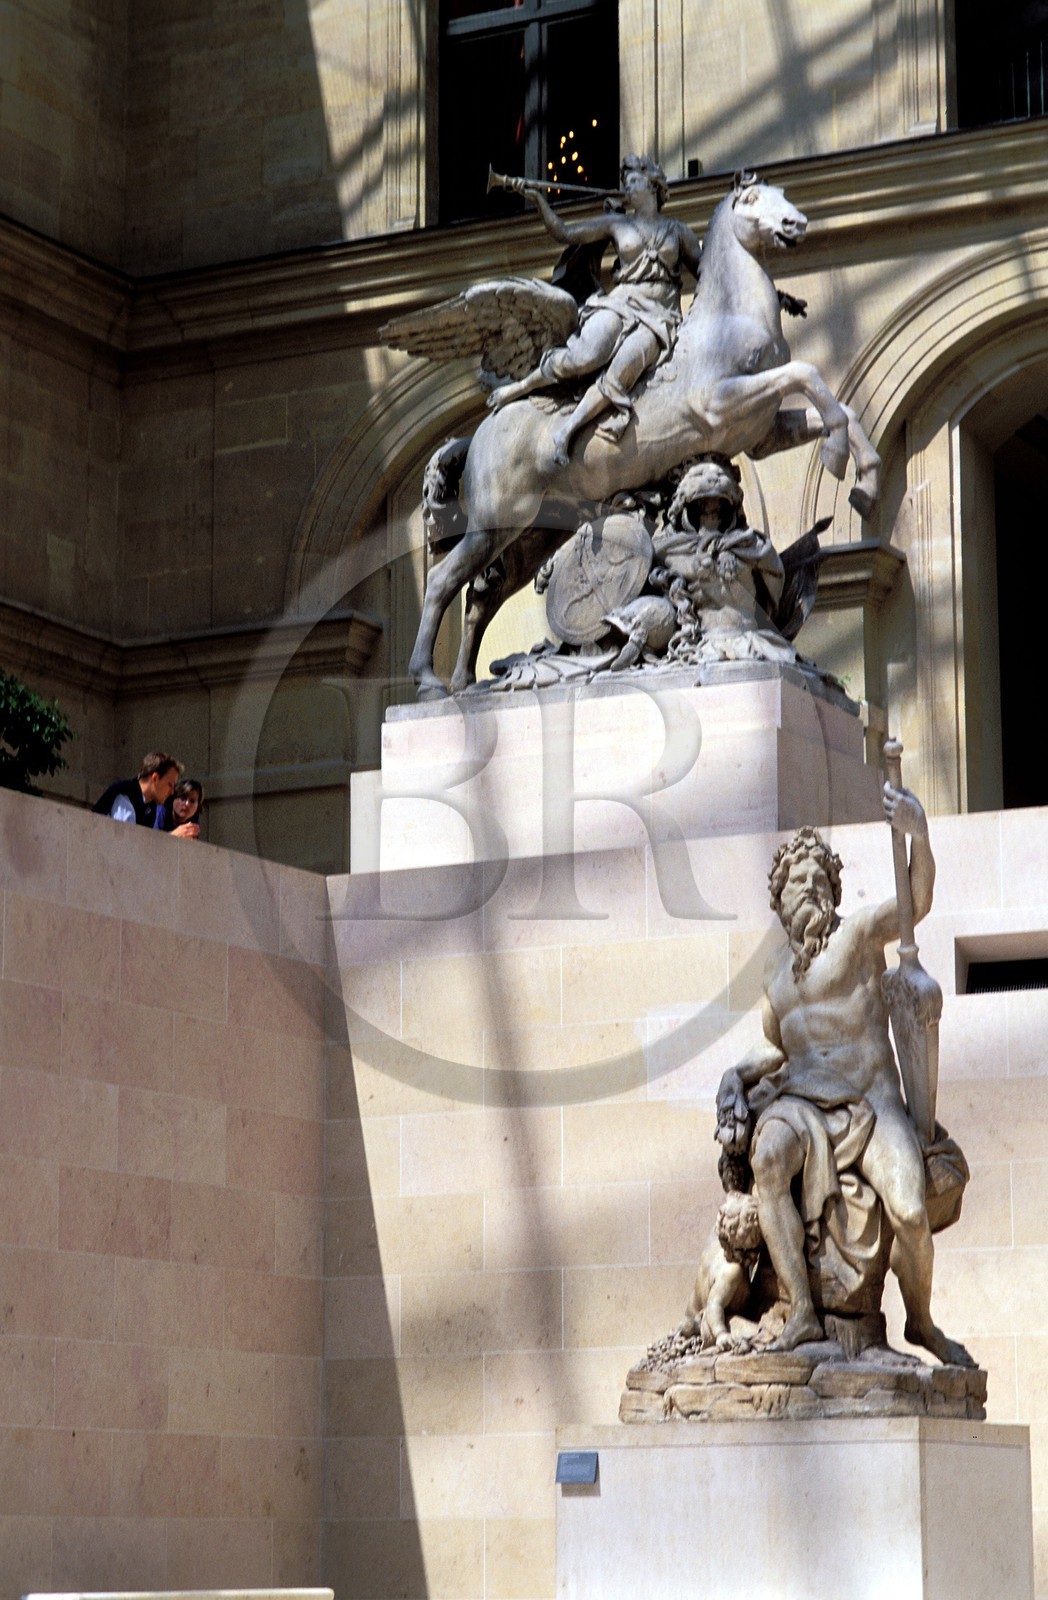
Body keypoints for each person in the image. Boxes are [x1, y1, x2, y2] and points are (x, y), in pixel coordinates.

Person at [715, 787, 973, 1366]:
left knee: (908, 1210)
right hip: (800, 1099)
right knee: (768, 1160)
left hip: (869, 1099)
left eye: (818, 879)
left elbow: (919, 899)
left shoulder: (857, 936)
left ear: (833, 892)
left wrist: (919, 830)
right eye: (795, 881)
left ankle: (922, 1323)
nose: (808, 887)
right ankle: (804, 1312)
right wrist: (735, 1074)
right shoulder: (774, 972)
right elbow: (776, 1046)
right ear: (780, 900)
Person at [489, 153, 703, 466]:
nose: (627, 187)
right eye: (625, 182)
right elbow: (564, 233)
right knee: (584, 357)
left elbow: (707, 270)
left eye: (634, 180)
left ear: (653, 184)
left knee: (621, 372)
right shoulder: (616, 224)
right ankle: (520, 388)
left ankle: (567, 431)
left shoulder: (678, 231)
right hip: (620, 305)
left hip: (658, 318)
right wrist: (538, 200)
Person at [92, 751, 181, 829]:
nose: (172, 792)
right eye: (170, 784)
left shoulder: (151, 806)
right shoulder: (124, 795)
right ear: (155, 778)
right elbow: (127, 841)